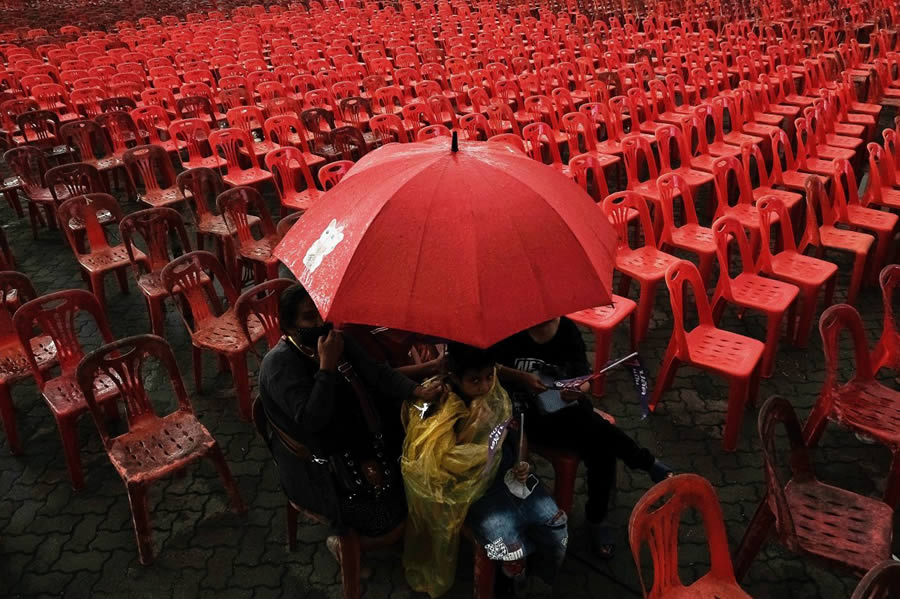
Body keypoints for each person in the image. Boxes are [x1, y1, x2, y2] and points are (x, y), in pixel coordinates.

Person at [257, 284, 443, 549]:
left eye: (321, 313)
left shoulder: (337, 340)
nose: (319, 323)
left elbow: (377, 373)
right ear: (288, 327)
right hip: (317, 465)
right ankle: (341, 544)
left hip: (357, 439)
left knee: (420, 482)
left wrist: (417, 390)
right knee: (389, 522)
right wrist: (326, 367)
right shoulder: (279, 365)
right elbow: (312, 420)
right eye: (309, 318)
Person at [494, 317, 674, 559]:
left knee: (601, 447)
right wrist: (522, 377)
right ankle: (644, 463)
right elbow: (492, 369)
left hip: (566, 411)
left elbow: (584, 378)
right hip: (527, 417)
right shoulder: (509, 328)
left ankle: (597, 518)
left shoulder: (567, 330)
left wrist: (576, 390)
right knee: (600, 437)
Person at [402, 342, 567, 598]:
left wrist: (522, 461)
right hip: (468, 490)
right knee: (508, 545)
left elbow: (515, 431)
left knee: (556, 525)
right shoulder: (436, 403)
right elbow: (435, 464)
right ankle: (511, 582)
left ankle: (540, 576)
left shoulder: (496, 394)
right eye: (475, 380)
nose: (485, 386)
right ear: (454, 377)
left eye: (490, 376)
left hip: (507, 473)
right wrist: (475, 442)